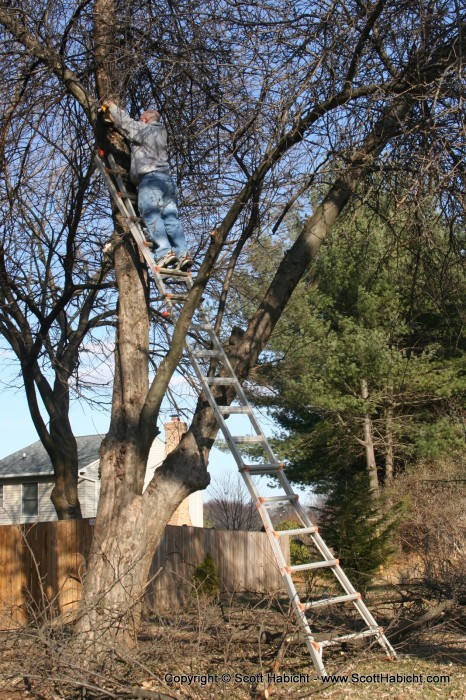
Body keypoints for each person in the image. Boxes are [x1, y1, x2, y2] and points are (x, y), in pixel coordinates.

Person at [102, 101, 192, 270]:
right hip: (167, 181)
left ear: (144, 119)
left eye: (140, 119)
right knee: (171, 219)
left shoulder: (146, 130)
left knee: (152, 215)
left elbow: (127, 124)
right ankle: (183, 254)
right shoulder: (160, 132)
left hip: (151, 180)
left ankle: (164, 252)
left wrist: (112, 107)